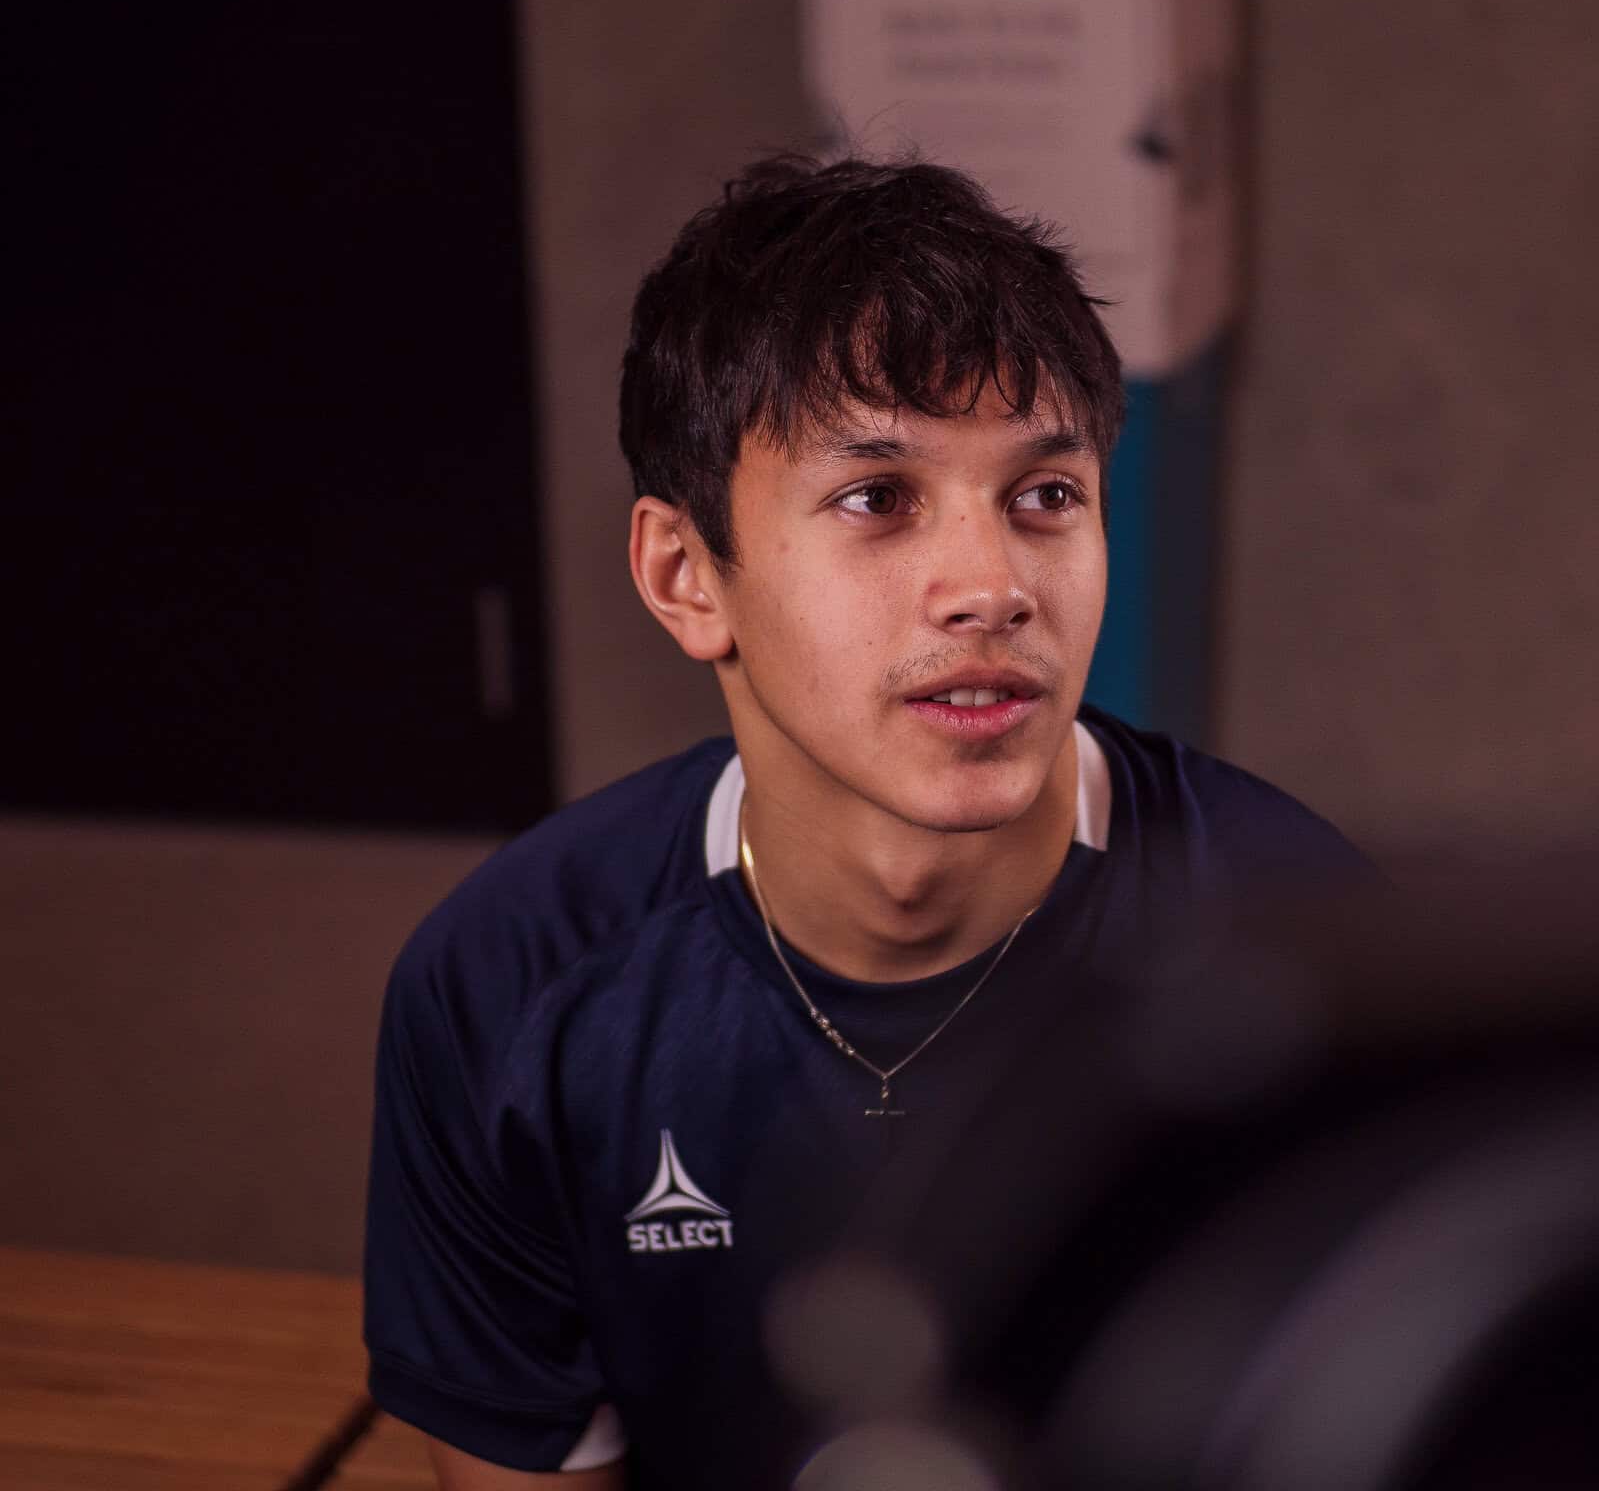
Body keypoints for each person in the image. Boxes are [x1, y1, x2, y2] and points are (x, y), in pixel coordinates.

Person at [363, 154, 1370, 1488]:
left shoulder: (1303, 942)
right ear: (685, 574)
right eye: (878, 499)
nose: (992, 587)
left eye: (1045, 496)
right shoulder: (512, 983)